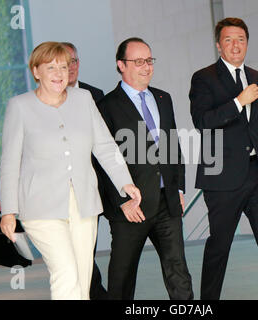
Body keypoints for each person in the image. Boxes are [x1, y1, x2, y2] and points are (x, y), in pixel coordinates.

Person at [0, 41, 141, 300]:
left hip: (84, 205)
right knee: (65, 271)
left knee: (82, 276)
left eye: (63, 66)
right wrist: (8, 211)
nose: (59, 73)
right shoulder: (20, 106)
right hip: (40, 208)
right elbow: (9, 162)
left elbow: (105, 146)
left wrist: (125, 183)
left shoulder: (83, 99)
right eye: (50, 67)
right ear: (36, 71)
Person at [189, 17, 258, 300]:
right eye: (228, 40)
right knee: (219, 248)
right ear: (218, 45)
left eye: (241, 39)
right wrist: (238, 102)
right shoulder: (203, 78)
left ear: (247, 43)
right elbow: (203, 121)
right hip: (223, 178)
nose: (235, 45)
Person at [97, 37, 193, 300]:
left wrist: (179, 187)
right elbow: (101, 162)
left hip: (167, 202)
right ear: (121, 65)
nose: (146, 66)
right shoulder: (106, 106)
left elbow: (173, 145)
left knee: (179, 273)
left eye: (149, 60)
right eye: (138, 61)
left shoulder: (163, 98)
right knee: (122, 279)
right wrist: (121, 202)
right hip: (132, 208)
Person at [61, 41, 107, 300]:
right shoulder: (43, 98)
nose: (71, 68)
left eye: (74, 61)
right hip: (60, 190)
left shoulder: (95, 94)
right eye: (65, 63)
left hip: (91, 187)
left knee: (85, 248)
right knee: (70, 251)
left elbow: (106, 144)